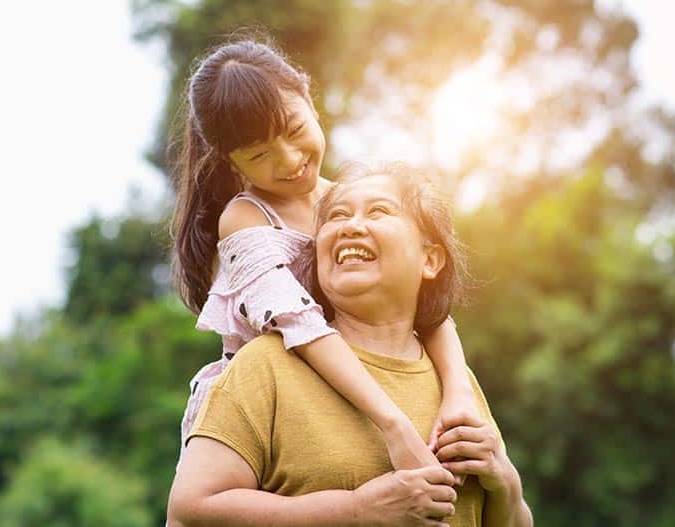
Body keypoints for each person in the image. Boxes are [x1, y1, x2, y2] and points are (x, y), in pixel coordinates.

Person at [170, 36, 479, 470]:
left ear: (308, 98)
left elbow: (426, 304)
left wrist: (458, 392)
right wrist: (394, 423)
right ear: (232, 162)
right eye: (260, 154)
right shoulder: (246, 218)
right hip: (272, 407)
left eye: (295, 131)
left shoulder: (347, 204)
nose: (290, 159)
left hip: (361, 386)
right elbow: (298, 323)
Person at [167, 164, 533, 527]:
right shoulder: (264, 365)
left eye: (378, 211)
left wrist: (505, 481)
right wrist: (356, 510)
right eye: (337, 216)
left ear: (430, 259)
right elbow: (190, 511)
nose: (350, 226)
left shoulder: (456, 383)